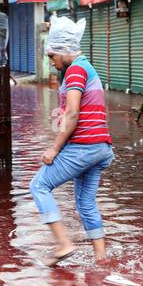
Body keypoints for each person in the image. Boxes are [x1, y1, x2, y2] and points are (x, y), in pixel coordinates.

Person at [30, 15, 115, 266]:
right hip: (101, 148)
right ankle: (101, 259)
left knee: (39, 186)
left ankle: (64, 244)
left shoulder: (76, 70)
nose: (53, 63)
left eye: (53, 57)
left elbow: (73, 113)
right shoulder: (87, 67)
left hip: (84, 147)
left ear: (64, 51)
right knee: (85, 203)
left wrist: (54, 148)